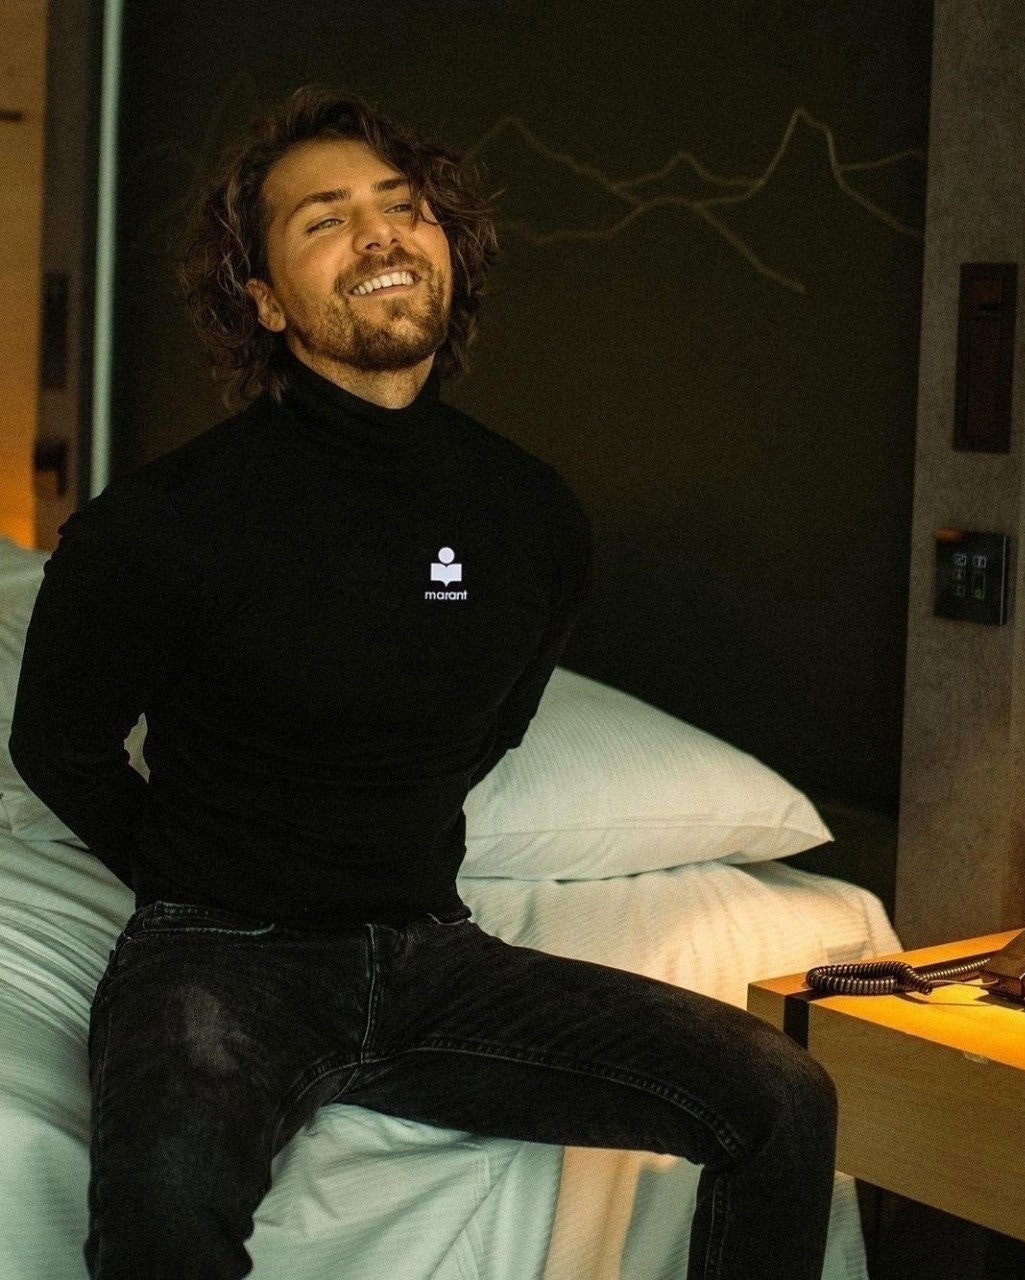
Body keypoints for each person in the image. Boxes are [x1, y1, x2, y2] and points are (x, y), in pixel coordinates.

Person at [9, 85, 837, 1280]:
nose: (380, 234)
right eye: (324, 219)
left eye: (403, 207)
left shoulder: (531, 517)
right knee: (160, 1226)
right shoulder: (160, 521)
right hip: (220, 956)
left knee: (781, 1093)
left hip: (432, 956)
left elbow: (492, 725)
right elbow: (58, 745)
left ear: (449, 247)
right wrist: (196, 874)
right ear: (262, 298)